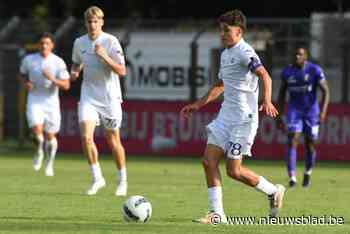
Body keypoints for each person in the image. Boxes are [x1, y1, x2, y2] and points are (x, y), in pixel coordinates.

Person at [180, 10, 285, 224]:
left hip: (243, 119)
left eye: (226, 30)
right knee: (208, 162)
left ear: (239, 31)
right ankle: (217, 214)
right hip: (225, 116)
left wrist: (267, 100)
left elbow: (264, 75)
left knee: (233, 170)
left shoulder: (245, 52)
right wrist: (198, 104)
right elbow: (220, 85)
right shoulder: (226, 53)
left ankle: (273, 191)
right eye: (220, 30)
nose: (222, 34)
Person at [70, 6, 128, 196]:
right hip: (88, 96)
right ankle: (97, 178)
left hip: (109, 98)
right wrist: (75, 71)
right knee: (86, 137)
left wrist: (104, 56)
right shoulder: (79, 42)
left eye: (96, 21)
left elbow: (122, 71)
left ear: (102, 22)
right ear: (85, 23)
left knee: (113, 141)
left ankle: (122, 180)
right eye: (89, 21)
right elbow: (77, 61)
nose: (92, 25)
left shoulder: (110, 42)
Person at [276, 47, 330, 188]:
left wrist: (323, 112)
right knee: (292, 139)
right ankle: (292, 177)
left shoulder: (315, 70)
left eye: (299, 54)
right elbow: (281, 94)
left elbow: (326, 91)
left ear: (305, 57)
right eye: (294, 54)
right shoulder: (287, 72)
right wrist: (279, 114)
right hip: (294, 111)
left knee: (310, 144)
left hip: (311, 112)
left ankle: (308, 171)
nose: (296, 56)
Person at [20, 32, 70, 176]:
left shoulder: (58, 62)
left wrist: (52, 79)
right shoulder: (29, 60)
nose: (44, 46)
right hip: (34, 100)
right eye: (42, 43)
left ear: (52, 45)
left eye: (47, 43)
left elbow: (66, 85)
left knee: (50, 137)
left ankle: (49, 163)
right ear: (38, 45)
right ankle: (38, 152)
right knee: (37, 133)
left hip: (51, 102)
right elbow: (22, 74)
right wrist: (26, 83)